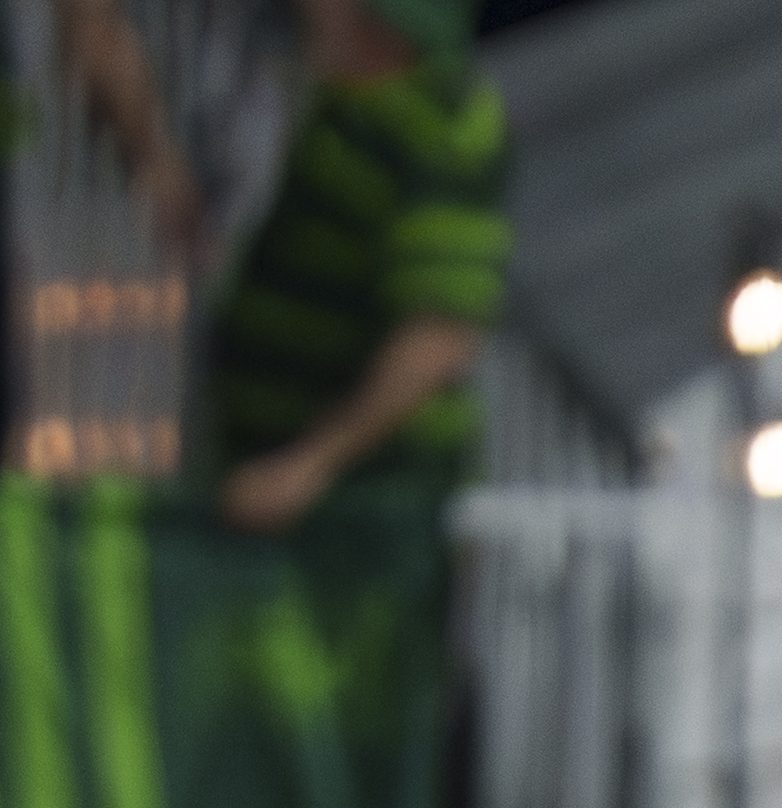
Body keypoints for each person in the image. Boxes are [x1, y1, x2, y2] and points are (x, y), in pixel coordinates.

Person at [54, 0, 507, 530]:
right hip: (267, 462)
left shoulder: (441, 125)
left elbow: (439, 336)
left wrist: (311, 465)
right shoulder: (342, 100)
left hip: (364, 499)